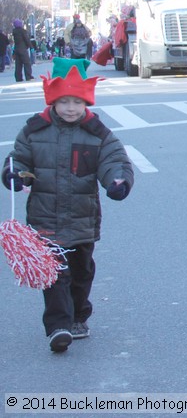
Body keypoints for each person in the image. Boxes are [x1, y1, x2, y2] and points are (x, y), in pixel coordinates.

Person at [3, 57, 133, 352]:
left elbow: (114, 161)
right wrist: (15, 174)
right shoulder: (34, 131)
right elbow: (19, 158)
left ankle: (78, 315)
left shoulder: (97, 134)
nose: (71, 108)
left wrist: (118, 182)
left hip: (82, 219)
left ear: (87, 102)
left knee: (81, 271)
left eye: (77, 101)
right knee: (54, 274)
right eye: (64, 102)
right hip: (45, 219)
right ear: (53, 101)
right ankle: (58, 326)